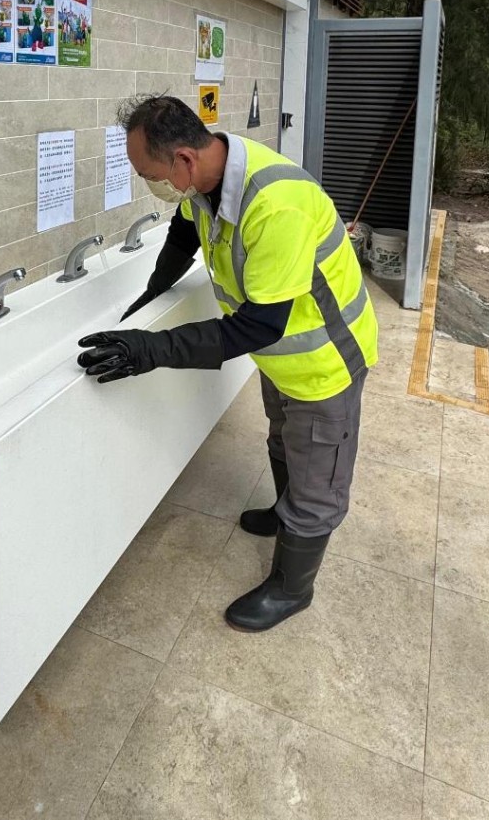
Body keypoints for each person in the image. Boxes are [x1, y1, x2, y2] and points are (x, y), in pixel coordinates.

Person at [77, 94, 377, 633]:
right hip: (283, 359)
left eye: (150, 175)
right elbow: (185, 231)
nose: (152, 186)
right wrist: (151, 293)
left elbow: (258, 326)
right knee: (284, 438)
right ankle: (285, 512)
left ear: (184, 161)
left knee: (318, 477)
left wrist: (150, 350)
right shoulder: (209, 181)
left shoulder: (275, 203)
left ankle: (291, 588)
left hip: (323, 363)